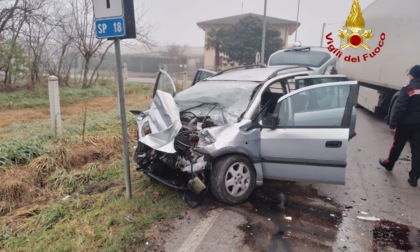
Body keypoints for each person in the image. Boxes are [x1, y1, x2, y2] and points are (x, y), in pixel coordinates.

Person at [379, 65, 420, 187]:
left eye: (409, 75)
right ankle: (414, 177)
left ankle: (389, 164)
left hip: (405, 123)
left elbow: (400, 107)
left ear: (412, 76)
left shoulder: (408, 88)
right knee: (417, 150)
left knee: (397, 145)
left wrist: (394, 123)